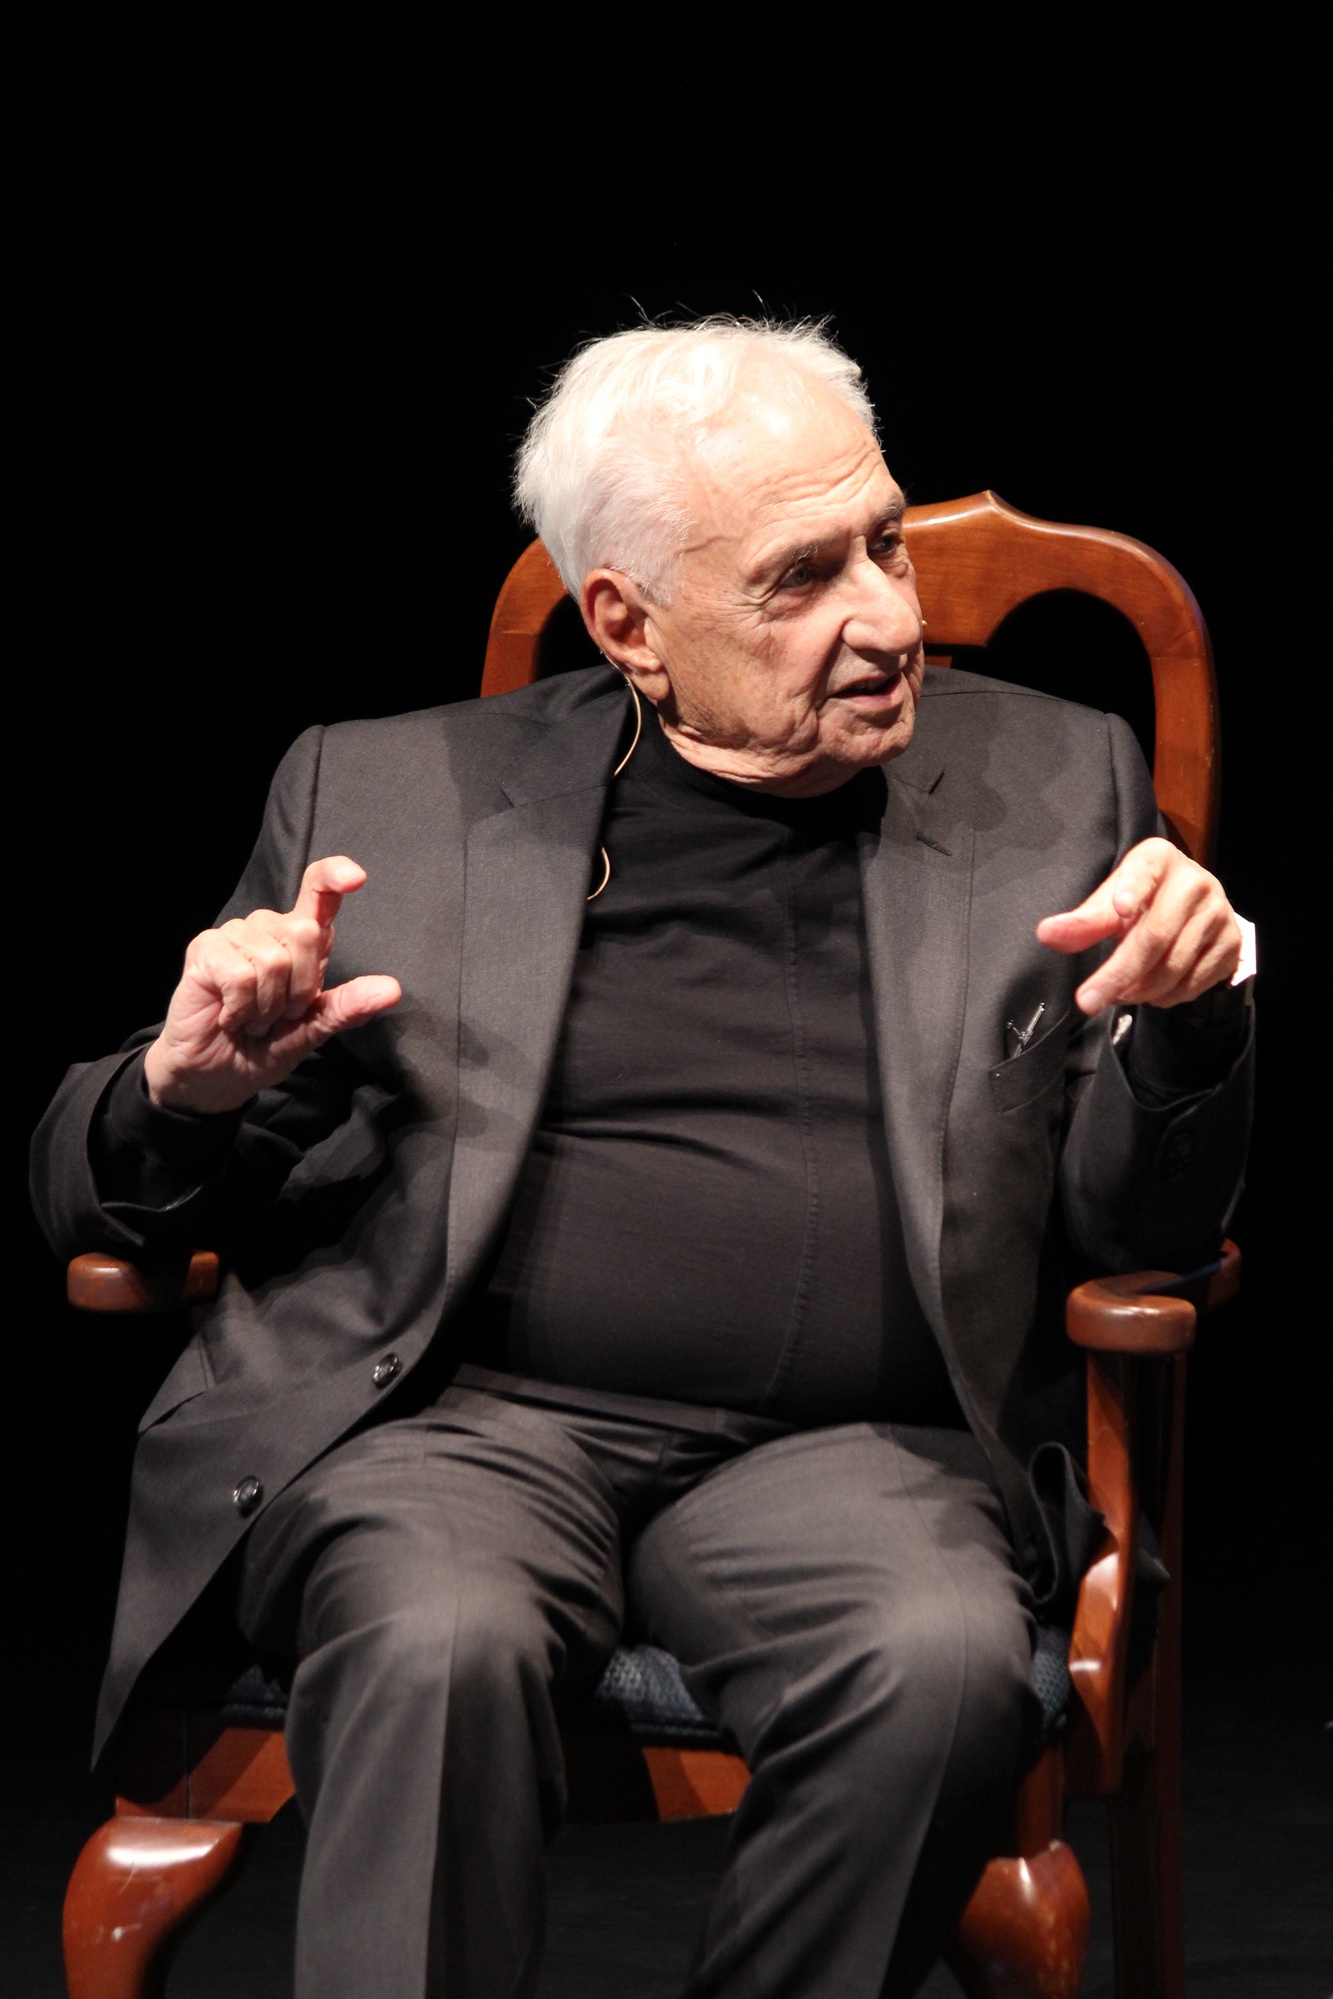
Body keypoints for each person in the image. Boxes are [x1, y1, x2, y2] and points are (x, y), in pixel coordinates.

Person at [32, 319, 1253, 1998]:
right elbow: (97, 1193)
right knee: (431, 1641)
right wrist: (187, 1095)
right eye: (799, 578)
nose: (887, 618)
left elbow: (1141, 1233)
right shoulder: (389, 795)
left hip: (858, 1457)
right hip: (460, 1437)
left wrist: (1188, 1028)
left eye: (883, 543)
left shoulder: (1057, 780)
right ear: (626, 624)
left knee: (936, 1663)